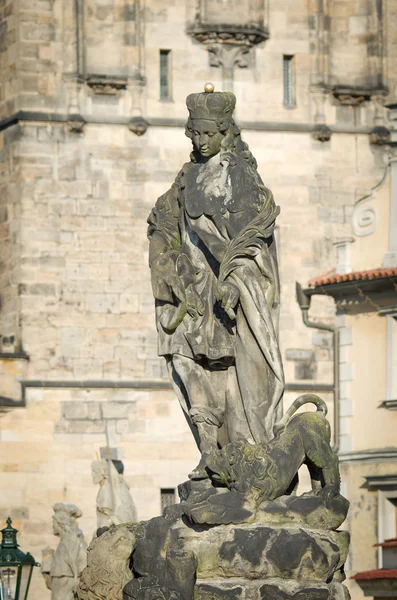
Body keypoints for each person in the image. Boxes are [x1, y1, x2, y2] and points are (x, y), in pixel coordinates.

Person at [148, 84, 284, 478]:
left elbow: (254, 233)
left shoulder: (239, 174)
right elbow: (162, 221)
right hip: (189, 287)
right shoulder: (186, 176)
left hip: (229, 287)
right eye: (198, 133)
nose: (204, 141)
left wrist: (234, 279)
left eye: (212, 133)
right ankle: (208, 450)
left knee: (227, 367)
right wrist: (168, 264)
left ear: (225, 131)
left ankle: (238, 449)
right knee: (184, 358)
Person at [41, 503, 87, 600]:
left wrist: (77, 580)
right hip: (60, 581)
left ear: (60, 523)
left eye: (53, 522)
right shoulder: (64, 540)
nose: (52, 526)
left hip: (66, 581)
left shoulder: (72, 538)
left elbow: (83, 561)